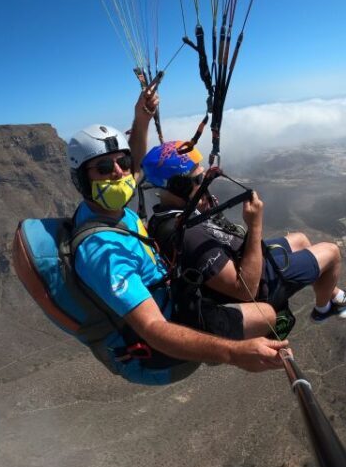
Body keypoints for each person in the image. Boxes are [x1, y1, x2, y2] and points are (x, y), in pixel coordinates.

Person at [67, 88, 289, 383]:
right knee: (267, 313)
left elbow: (133, 169)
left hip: (174, 294)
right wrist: (234, 353)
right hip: (160, 354)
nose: (119, 173)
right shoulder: (104, 252)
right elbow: (154, 329)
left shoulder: (107, 204)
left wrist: (141, 120)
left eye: (123, 162)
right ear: (82, 179)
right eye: (105, 168)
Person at [140, 141, 346, 330]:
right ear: (179, 187)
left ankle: (333, 294)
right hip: (257, 286)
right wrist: (255, 225)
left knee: (300, 239)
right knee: (331, 252)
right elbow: (246, 290)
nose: (205, 183)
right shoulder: (188, 234)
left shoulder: (171, 215)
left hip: (239, 258)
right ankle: (323, 309)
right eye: (199, 179)